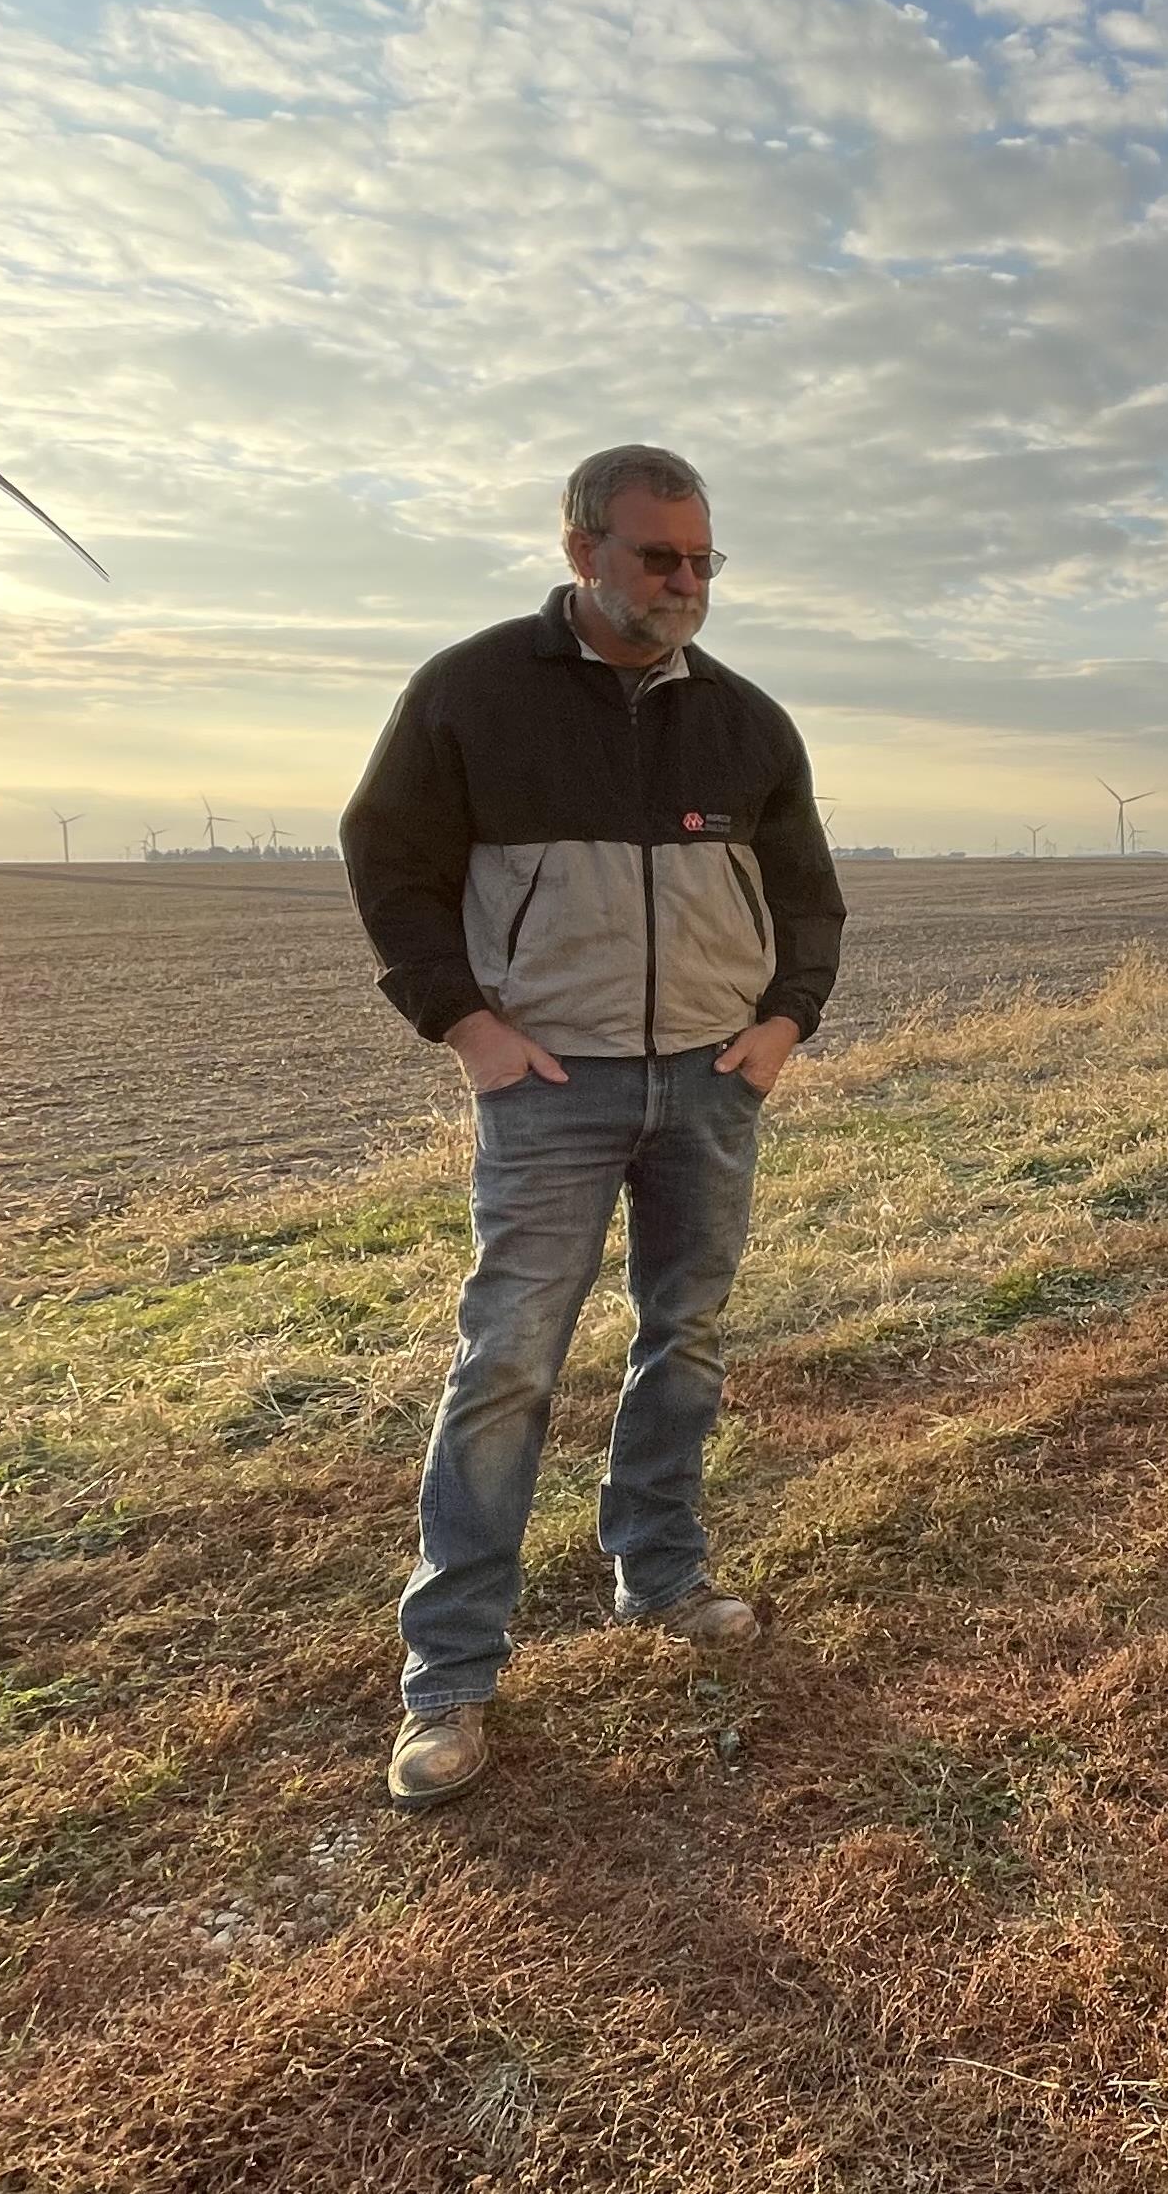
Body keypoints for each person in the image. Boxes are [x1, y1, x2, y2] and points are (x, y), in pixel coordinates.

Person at [340, 442, 844, 1810]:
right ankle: (449, 1675)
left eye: (701, 561)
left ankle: (661, 1574)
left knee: (687, 1333)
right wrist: (469, 1026)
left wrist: (784, 1022)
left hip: (707, 1081)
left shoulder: (746, 722)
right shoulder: (470, 695)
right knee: (508, 1361)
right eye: (656, 558)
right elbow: (386, 865)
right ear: (582, 551)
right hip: (550, 1086)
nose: (683, 583)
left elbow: (809, 897)